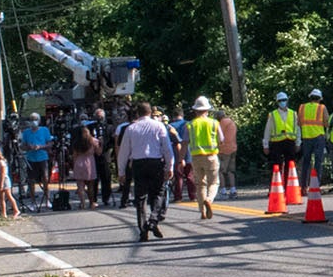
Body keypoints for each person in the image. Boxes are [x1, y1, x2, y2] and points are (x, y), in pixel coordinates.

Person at [114, 102, 172, 240]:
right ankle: (153, 220)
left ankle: (143, 229)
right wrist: (170, 166)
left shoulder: (131, 128)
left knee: (140, 197)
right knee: (158, 193)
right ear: (150, 112)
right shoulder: (159, 126)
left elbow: (124, 152)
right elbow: (167, 148)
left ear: (137, 113)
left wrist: (121, 171)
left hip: (138, 164)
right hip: (156, 162)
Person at [185, 96, 223, 219]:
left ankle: (202, 211)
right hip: (211, 156)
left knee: (200, 184)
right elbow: (221, 139)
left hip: (196, 157)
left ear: (195, 111)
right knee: (214, 182)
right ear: (207, 110)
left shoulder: (190, 124)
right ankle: (209, 199)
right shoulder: (214, 123)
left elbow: (185, 141)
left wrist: (181, 158)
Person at [297, 88, 330, 191]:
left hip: (306, 137)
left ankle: (303, 186)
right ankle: (316, 185)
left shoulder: (302, 107)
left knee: (306, 162)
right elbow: (327, 123)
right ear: (319, 99)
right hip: (318, 138)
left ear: (310, 97)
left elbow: (299, 123)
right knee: (318, 162)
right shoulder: (322, 108)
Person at [263, 91, 300, 181]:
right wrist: (265, 145)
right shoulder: (273, 115)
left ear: (287, 101)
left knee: (290, 166)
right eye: (280, 101)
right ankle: (275, 187)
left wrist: (298, 143)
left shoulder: (293, 114)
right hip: (277, 143)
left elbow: (298, 129)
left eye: (284, 100)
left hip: (290, 142)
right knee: (276, 166)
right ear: (277, 102)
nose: (282, 102)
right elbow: (267, 130)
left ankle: (289, 186)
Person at [19, 112, 52, 198]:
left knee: (45, 177)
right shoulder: (26, 132)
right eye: (32, 120)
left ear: (39, 121)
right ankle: (32, 200)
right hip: (31, 158)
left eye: (35, 119)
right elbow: (22, 146)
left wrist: (41, 146)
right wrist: (29, 147)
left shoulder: (44, 130)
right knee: (31, 180)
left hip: (43, 157)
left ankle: (47, 198)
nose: (34, 122)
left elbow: (50, 144)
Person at [67, 122, 100, 209]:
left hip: (79, 163)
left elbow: (74, 155)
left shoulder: (76, 142)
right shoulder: (93, 141)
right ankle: (92, 202)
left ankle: (82, 203)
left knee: (80, 185)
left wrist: (74, 166)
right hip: (89, 163)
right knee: (90, 185)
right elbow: (99, 152)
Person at [215, 105, 239, 198]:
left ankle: (223, 190)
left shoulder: (220, 124)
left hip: (223, 149)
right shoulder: (232, 123)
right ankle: (233, 190)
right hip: (233, 148)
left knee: (221, 171)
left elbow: (219, 137)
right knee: (231, 171)